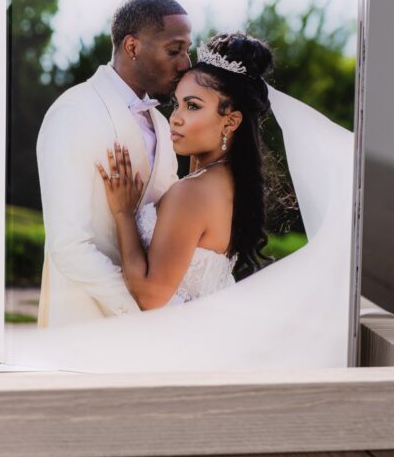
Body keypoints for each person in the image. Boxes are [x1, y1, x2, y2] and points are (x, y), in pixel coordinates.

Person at [36, 0, 192, 328]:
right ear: (132, 47)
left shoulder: (164, 126)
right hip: (86, 327)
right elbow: (69, 247)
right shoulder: (73, 112)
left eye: (187, 50)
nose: (186, 64)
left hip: (152, 332)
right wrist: (144, 313)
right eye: (174, 50)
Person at [96, 33, 274, 309]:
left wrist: (123, 214)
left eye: (192, 106)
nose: (175, 117)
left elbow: (150, 296)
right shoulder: (229, 182)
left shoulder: (193, 192)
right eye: (177, 104)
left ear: (231, 121)